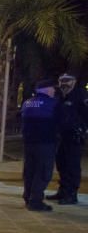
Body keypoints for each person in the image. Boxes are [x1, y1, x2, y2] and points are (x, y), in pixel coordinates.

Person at [47, 73, 88, 204]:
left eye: (67, 81)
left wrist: (83, 129)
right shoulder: (60, 95)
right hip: (61, 136)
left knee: (72, 165)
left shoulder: (80, 95)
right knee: (61, 163)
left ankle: (71, 194)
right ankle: (63, 191)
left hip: (74, 136)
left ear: (74, 81)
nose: (64, 83)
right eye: (61, 80)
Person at [21, 79, 60, 212]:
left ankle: (28, 197)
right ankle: (35, 201)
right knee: (42, 171)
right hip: (45, 143)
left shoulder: (27, 103)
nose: (54, 91)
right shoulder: (52, 103)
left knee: (29, 171)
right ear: (47, 90)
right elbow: (60, 122)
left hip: (29, 143)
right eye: (53, 88)